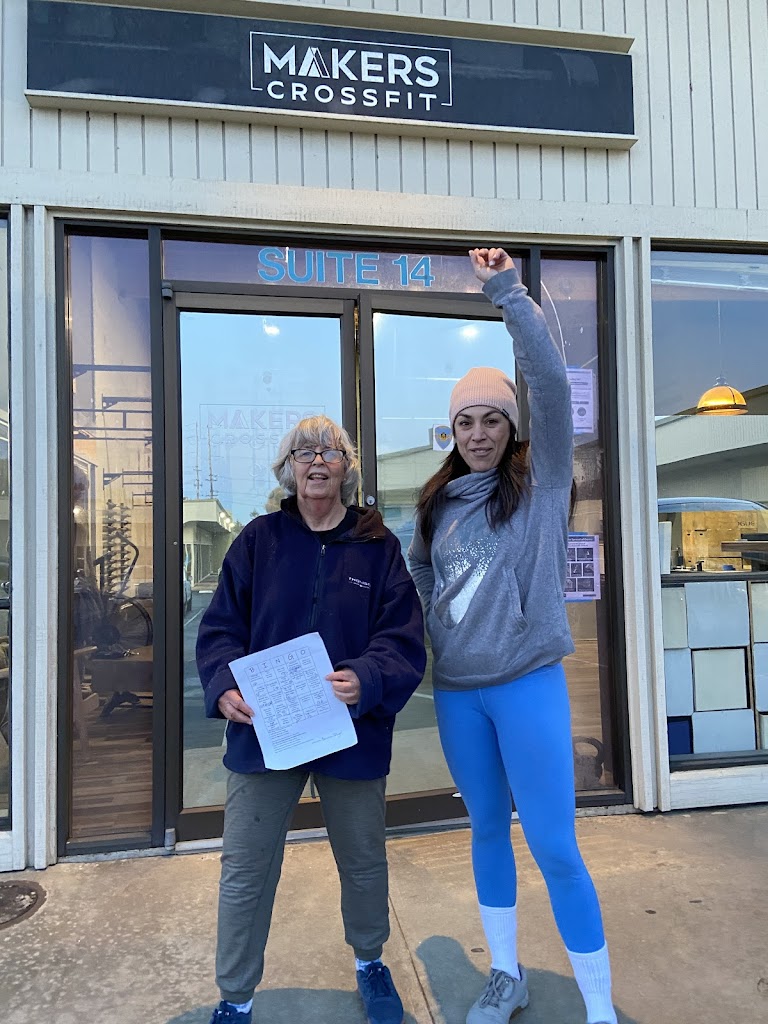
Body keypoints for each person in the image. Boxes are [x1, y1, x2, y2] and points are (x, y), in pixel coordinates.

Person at [408, 248, 618, 1024]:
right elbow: (421, 569)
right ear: (453, 431)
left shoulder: (542, 482)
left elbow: (552, 385)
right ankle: (506, 973)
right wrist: (428, 622)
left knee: (555, 846)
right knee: (488, 831)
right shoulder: (438, 503)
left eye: (491, 418)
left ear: (511, 425)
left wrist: (507, 293)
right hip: (460, 694)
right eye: (465, 421)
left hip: (528, 684)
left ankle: (599, 1005)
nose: (478, 433)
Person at [197, 415, 426, 1024]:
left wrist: (367, 677)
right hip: (264, 734)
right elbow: (220, 629)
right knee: (246, 868)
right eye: (304, 451)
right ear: (288, 468)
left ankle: (370, 962)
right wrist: (223, 686)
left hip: (351, 732)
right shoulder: (259, 541)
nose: (317, 460)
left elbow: (403, 638)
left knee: (363, 862)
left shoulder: (378, 547)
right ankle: (235, 996)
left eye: (330, 450)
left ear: (346, 467)